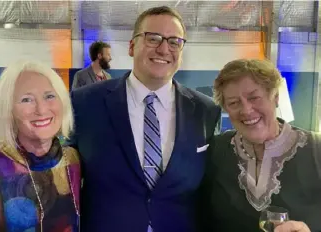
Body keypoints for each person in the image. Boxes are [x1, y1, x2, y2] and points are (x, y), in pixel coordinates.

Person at [68, 5, 221, 232]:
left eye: (174, 42)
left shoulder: (205, 110)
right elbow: (63, 173)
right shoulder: (85, 102)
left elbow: (210, 187)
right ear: (131, 46)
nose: (163, 49)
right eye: (153, 38)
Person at [199, 59, 321, 232]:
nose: (247, 110)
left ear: (275, 97)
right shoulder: (216, 150)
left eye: (254, 98)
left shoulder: (316, 150)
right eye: (234, 103)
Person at [0, 61, 81, 232]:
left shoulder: (74, 160)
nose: (41, 110)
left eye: (49, 96)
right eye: (26, 99)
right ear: (9, 110)